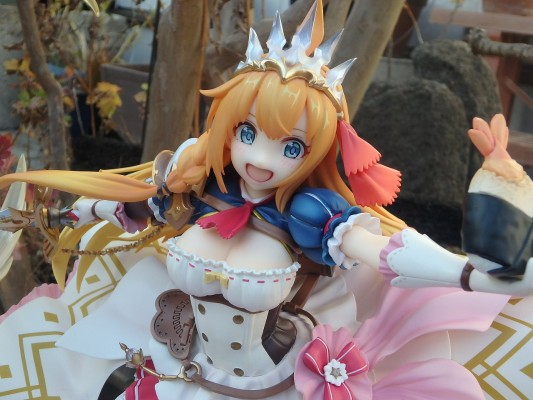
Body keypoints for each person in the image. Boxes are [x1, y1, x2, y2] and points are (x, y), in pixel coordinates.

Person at [0, 1, 531, 399]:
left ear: (317, 151)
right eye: (247, 132)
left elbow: (386, 253)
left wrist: (473, 275)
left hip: (273, 381)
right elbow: (127, 210)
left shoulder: (310, 215)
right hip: (177, 363)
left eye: (291, 146)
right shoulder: (204, 190)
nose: (260, 158)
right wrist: (50, 214)